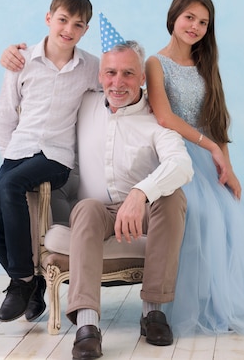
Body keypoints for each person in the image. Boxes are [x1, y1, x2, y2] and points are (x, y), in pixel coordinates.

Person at [0, 0, 244, 336]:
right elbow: (161, 114)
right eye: (189, 17)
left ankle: (194, 306)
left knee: (215, 223)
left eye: (203, 21)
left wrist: (224, 162)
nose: (195, 26)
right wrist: (19, 54)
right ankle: (87, 320)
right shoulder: (143, 71)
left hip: (195, 159)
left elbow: (214, 122)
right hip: (170, 161)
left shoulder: (192, 80)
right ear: (174, 17)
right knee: (181, 217)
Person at [68, 38, 193, 359]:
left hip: (143, 209)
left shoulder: (157, 120)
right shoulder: (83, 105)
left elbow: (181, 165)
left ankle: (153, 311)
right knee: (85, 209)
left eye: (128, 73)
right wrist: (16, 57)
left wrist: (140, 193)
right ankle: (87, 325)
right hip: (99, 212)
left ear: (142, 78)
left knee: (172, 198)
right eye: (110, 73)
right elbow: (48, 82)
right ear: (100, 75)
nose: (118, 82)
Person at [0, 0, 99, 324]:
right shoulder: (22, 60)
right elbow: (5, 118)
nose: (68, 29)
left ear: (85, 30)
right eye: (63, 20)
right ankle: (36, 286)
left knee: (13, 185)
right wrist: (11, 158)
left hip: (57, 157)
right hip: (18, 152)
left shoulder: (90, 66)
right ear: (49, 19)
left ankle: (19, 281)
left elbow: (116, 86)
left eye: (78, 25)